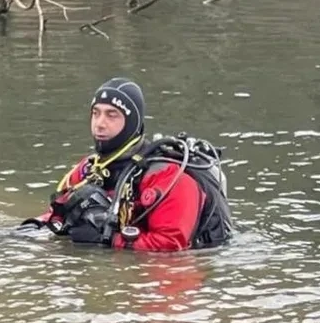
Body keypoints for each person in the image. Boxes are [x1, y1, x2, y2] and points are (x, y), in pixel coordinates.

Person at [35, 77, 232, 252]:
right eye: (96, 113)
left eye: (111, 115)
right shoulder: (91, 168)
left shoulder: (168, 177)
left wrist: (108, 239)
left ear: (131, 122)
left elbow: (171, 246)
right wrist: (32, 228)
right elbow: (58, 214)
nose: (100, 124)